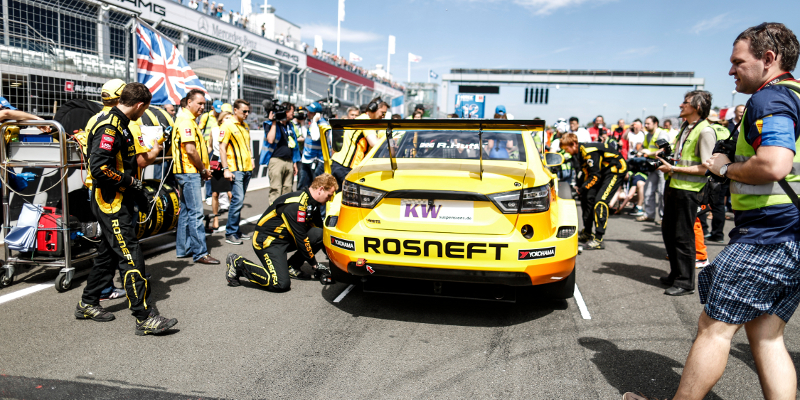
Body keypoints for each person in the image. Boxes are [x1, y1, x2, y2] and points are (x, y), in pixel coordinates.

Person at [627, 22, 800, 400]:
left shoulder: (769, 99)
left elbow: (773, 165)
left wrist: (724, 168)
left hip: (767, 237)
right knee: (767, 337)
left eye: (738, 62)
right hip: (792, 238)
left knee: (714, 327)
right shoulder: (796, 96)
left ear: (769, 59)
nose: (730, 70)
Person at [74, 83, 178, 336]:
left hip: (120, 199)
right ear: (140, 105)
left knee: (108, 255)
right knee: (131, 256)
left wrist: (138, 191)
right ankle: (144, 317)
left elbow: (129, 163)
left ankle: (87, 303)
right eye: (144, 109)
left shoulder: (121, 123)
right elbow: (99, 168)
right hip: (111, 202)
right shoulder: (110, 125)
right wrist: (131, 183)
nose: (143, 113)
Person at [225, 174, 338, 289]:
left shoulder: (312, 203)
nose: (329, 199)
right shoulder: (296, 205)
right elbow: (301, 238)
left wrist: (335, 261)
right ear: (321, 189)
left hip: (285, 238)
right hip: (267, 242)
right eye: (329, 195)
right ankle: (238, 263)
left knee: (319, 234)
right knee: (280, 283)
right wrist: (315, 265)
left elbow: (321, 230)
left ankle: (292, 267)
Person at [654, 90, 716, 296]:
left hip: (689, 191)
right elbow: (684, 158)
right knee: (669, 233)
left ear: (697, 107)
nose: (681, 105)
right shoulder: (686, 127)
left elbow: (707, 168)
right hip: (674, 187)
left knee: (683, 236)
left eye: (685, 102)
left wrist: (673, 169)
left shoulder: (705, 130)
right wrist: (668, 159)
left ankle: (685, 282)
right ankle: (675, 274)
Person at [172, 90, 219, 265]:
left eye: (204, 104)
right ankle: (200, 253)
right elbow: (190, 150)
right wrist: (203, 170)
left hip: (187, 171)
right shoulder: (186, 121)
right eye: (199, 103)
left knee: (185, 212)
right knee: (196, 213)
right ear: (189, 102)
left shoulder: (189, 120)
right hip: (189, 171)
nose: (202, 107)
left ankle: (183, 248)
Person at [560, 132, 627, 250]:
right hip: (603, 172)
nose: (566, 152)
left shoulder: (588, 151)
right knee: (587, 198)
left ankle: (598, 239)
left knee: (600, 201)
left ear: (574, 144)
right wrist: (582, 189)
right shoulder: (578, 153)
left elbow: (595, 177)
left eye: (567, 148)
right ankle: (587, 232)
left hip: (615, 170)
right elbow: (587, 174)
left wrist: (581, 189)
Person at [330, 97, 387, 189]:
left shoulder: (363, 119)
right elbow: (374, 143)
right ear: (373, 109)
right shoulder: (366, 121)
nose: (383, 116)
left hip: (341, 165)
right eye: (382, 113)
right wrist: (390, 142)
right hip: (345, 167)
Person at [219, 99, 254, 245]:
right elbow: (222, 147)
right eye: (244, 111)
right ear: (235, 110)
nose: (246, 114)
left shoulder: (245, 126)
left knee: (239, 200)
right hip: (235, 169)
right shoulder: (227, 125)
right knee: (237, 200)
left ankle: (236, 230)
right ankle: (231, 232)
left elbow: (247, 145)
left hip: (246, 168)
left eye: (248, 111)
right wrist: (226, 168)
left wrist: (251, 158)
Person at [697, 110, 733, 242]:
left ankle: (704, 230)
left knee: (703, 203)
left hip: (711, 170)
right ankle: (718, 234)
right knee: (718, 205)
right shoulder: (726, 130)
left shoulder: (708, 129)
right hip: (724, 170)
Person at [263, 102, 300, 205]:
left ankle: (285, 213)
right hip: (276, 160)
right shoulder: (271, 124)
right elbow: (270, 139)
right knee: (276, 189)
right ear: (286, 112)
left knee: (288, 189)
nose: (293, 114)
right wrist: (274, 121)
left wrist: (294, 162)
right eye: (292, 112)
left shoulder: (290, 126)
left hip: (289, 161)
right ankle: (274, 215)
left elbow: (293, 144)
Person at [636, 116, 671, 222]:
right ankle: (649, 214)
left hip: (662, 166)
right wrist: (640, 151)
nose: (646, 126)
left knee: (662, 192)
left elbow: (664, 149)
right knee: (648, 190)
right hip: (652, 166)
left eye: (648, 124)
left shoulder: (661, 133)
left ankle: (663, 217)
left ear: (655, 123)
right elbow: (643, 147)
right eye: (645, 124)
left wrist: (648, 153)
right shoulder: (647, 135)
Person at [207, 110, 233, 231]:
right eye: (226, 118)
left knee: (231, 193)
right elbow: (210, 147)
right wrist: (204, 161)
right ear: (221, 119)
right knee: (215, 193)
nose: (228, 120)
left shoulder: (233, 129)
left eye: (230, 118)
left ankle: (233, 220)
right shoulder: (214, 130)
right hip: (216, 161)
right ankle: (216, 218)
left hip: (230, 161)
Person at [297, 102, 328, 192]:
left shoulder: (322, 123)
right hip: (308, 159)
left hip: (317, 161)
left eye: (310, 112)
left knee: (316, 188)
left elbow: (315, 137)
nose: (308, 113)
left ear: (317, 114)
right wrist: (303, 123)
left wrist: (314, 121)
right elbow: (307, 136)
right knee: (303, 186)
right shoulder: (313, 123)